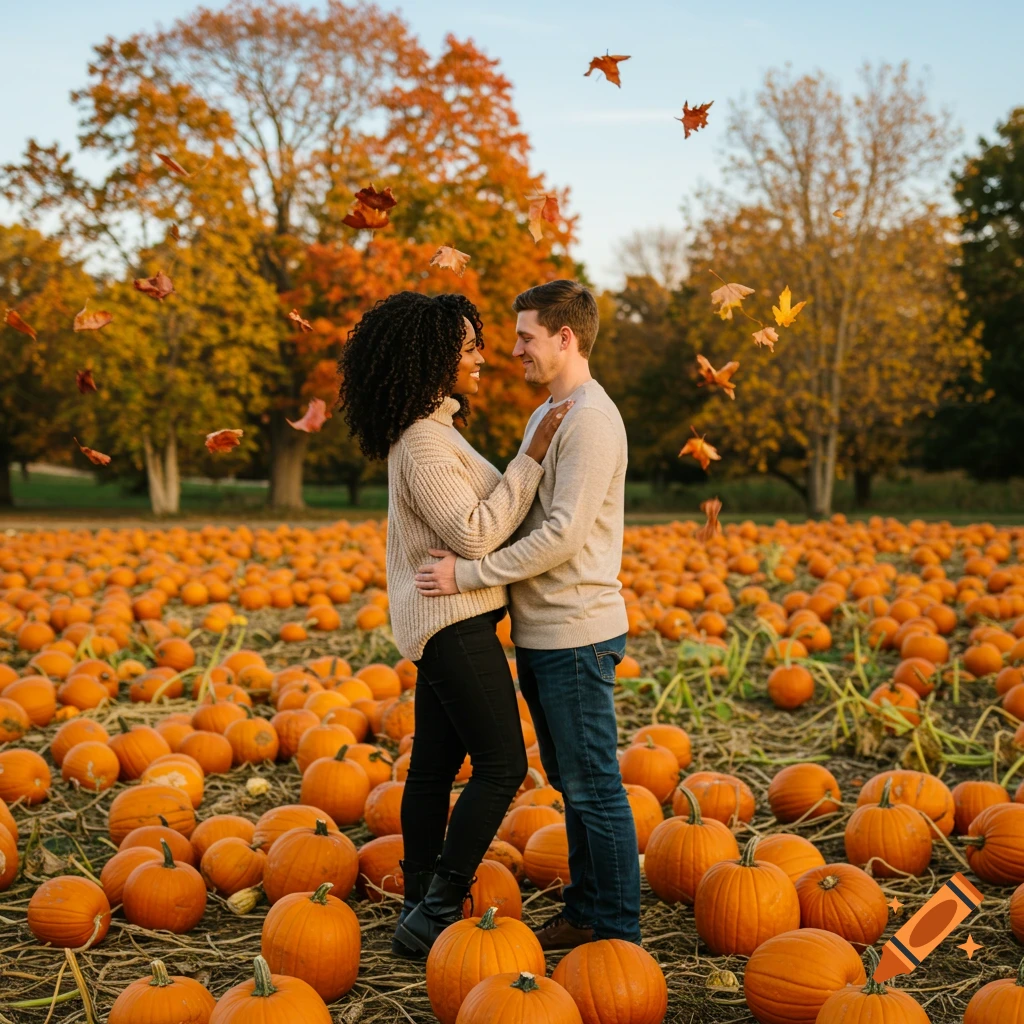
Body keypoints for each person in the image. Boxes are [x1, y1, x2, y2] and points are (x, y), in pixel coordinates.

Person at [337, 290, 572, 959]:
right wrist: (530, 457)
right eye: (469, 347)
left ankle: (417, 906)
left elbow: (479, 527)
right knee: (502, 765)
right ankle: (437, 907)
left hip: (450, 620)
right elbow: (473, 535)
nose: (481, 357)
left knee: (434, 770)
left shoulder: (435, 433)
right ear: (435, 357)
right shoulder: (422, 443)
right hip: (453, 624)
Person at [414, 279, 641, 948]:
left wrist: (470, 573)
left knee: (594, 785)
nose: (513, 351)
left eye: (525, 337)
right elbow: (521, 512)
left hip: (577, 631)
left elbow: (564, 533)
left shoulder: (591, 420)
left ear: (565, 338)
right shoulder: (549, 414)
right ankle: (585, 908)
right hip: (544, 632)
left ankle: (616, 930)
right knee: (575, 783)